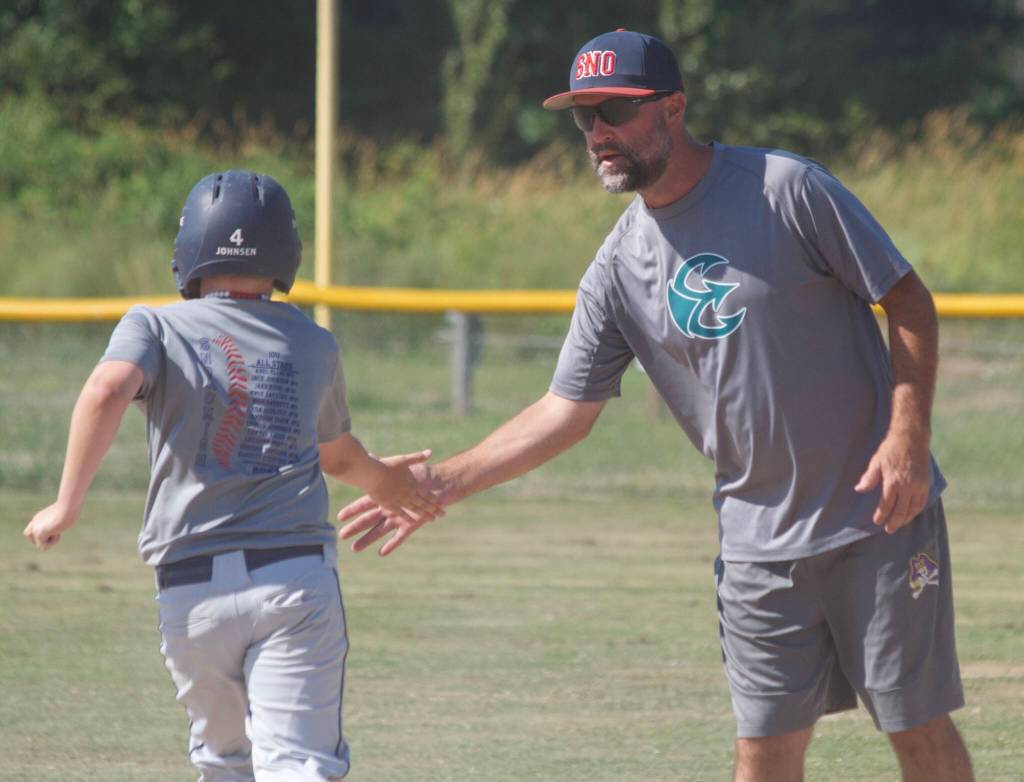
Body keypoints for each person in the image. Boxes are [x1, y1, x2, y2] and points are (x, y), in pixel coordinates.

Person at [336, 29, 974, 782]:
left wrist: (907, 433)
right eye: (584, 118)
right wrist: (442, 482)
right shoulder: (618, 266)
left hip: (877, 517)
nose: (598, 133)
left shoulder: (784, 189)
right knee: (762, 755)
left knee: (917, 732)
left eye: (615, 110)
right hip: (755, 544)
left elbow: (906, 299)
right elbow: (564, 410)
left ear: (672, 109)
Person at [23, 170, 442, 781]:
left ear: (190, 249)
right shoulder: (313, 340)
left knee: (224, 763)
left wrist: (66, 505)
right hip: (293, 579)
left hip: (191, 590)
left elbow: (108, 388)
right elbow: (337, 455)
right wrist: (386, 483)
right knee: (297, 763)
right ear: (285, 256)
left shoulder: (154, 325)